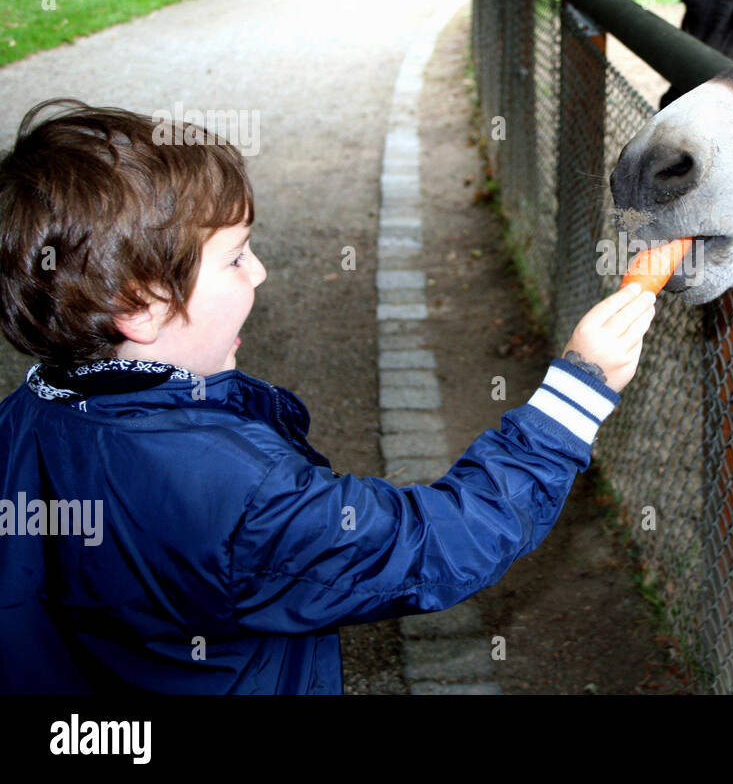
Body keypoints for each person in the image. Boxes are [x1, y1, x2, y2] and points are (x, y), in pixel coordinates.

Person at [0, 99, 657, 693]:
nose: (259, 271)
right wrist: (576, 393)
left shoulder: (27, 418)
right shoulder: (237, 497)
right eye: (234, 259)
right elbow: (435, 544)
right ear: (138, 303)